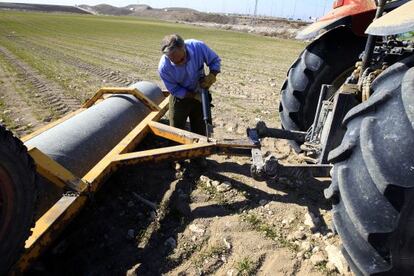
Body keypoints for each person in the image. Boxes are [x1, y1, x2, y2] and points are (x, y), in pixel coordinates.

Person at [158, 34, 221, 136]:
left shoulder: (197, 47)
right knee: (175, 133)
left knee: (201, 130)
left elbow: (215, 61)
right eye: (174, 62)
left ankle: (199, 149)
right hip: (180, 97)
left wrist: (212, 76)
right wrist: (194, 96)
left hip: (200, 91)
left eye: (182, 59)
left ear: (184, 48)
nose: (179, 64)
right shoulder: (164, 67)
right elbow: (174, 89)